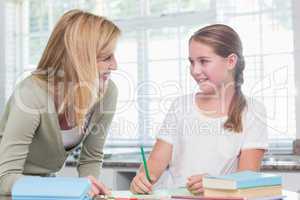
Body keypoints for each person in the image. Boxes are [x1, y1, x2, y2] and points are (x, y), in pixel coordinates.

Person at [130, 24, 268, 195]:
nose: (195, 70)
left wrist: (216, 184)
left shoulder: (253, 111)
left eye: (204, 61)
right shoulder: (181, 106)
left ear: (231, 61)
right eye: (191, 62)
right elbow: (153, 167)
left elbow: (249, 179)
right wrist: (141, 180)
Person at [0, 9, 121, 196]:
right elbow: (5, 179)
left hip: (43, 187)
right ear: (79, 60)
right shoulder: (31, 94)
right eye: (106, 58)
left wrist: (90, 191)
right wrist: (71, 188)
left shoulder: (107, 92)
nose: (115, 65)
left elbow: (91, 158)